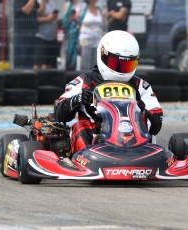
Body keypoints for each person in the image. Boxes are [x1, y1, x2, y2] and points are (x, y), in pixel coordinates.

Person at [55, 30, 163, 165]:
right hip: (95, 137)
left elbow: (156, 126)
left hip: (134, 137)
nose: (121, 70)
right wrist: (78, 99)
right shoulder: (84, 81)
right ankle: (85, 159)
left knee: (142, 119)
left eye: (127, 64)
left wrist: (140, 107)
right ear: (102, 55)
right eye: (116, 63)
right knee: (79, 126)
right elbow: (60, 114)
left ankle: (140, 154)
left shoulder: (141, 86)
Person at [60, 0, 87, 70]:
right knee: (67, 54)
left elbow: (82, 20)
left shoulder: (83, 5)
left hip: (78, 35)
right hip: (69, 35)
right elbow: (65, 20)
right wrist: (73, 18)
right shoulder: (67, 4)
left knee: (76, 55)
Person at [79, 0, 103, 70]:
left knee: (95, 66)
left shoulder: (99, 9)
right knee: (85, 65)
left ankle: (94, 81)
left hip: (97, 41)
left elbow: (103, 25)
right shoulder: (83, 8)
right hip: (85, 41)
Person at [34, 0, 59, 70]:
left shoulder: (52, 3)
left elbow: (54, 19)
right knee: (40, 64)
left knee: (49, 64)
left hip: (52, 37)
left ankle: (48, 80)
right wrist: (48, 18)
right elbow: (34, 20)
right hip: (41, 37)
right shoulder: (37, 2)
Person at [14, 0, 39, 69]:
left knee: (30, 61)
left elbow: (39, 11)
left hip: (32, 33)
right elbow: (26, 10)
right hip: (21, 34)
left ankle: (28, 79)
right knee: (20, 61)